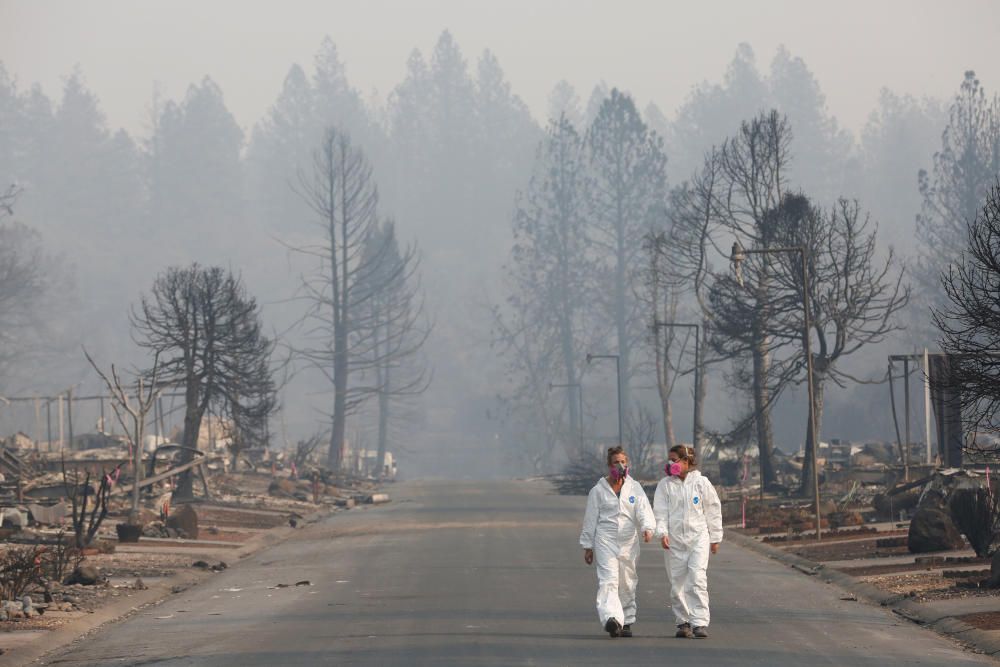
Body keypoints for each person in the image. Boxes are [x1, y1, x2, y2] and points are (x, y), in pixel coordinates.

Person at [580, 446, 655, 638]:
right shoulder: (598, 491)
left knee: (627, 581)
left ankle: (627, 620)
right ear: (609, 465)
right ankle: (612, 619)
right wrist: (588, 546)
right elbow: (590, 519)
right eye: (616, 462)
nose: (620, 465)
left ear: (627, 464)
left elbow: (644, 510)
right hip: (605, 540)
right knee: (609, 581)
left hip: (629, 541)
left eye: (623, 462)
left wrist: (647, 528)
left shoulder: (634, 487)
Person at [653, 444, 722, 639]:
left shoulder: (701, 483)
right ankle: (683, 622)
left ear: (686, 461)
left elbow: (713, 510)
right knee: (677, 583)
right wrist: (662, 533)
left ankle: (699, 622)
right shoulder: (665, 485)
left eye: (674, 460)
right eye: (669, 459)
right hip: (674, 541)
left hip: (698, 538)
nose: (670, 463)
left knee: (697, 578)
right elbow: (660, 512)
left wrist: (715, 537)